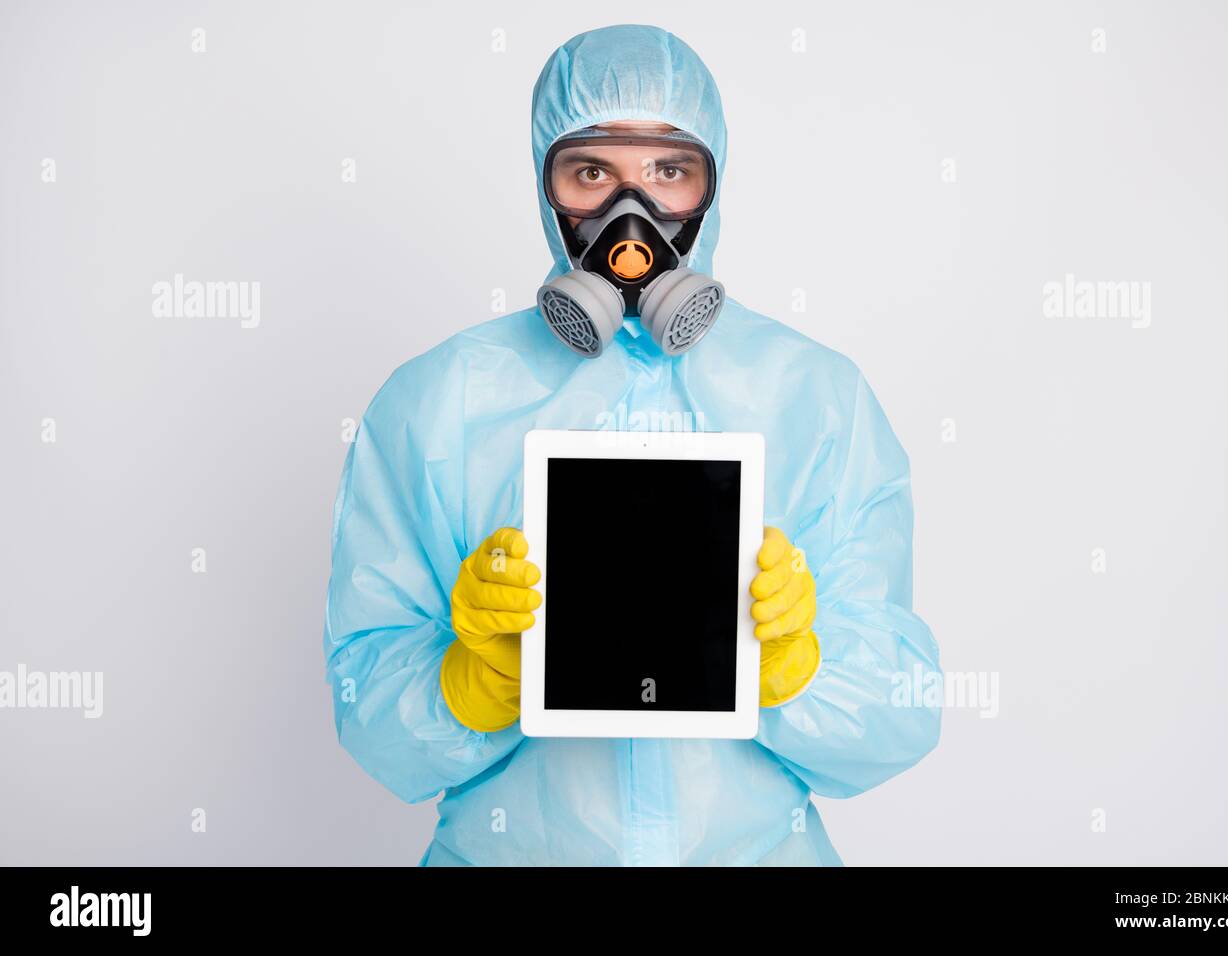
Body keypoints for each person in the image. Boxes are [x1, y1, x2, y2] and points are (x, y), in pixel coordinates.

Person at [323, 23, 942, 866]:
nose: (632, 214)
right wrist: (468, 683)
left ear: (710, 183)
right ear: (547, 185)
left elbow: (898, 719)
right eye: (592, 173)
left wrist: (799, 667)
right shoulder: (442, 400)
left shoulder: (816, 397)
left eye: (668, 171)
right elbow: (368, 719)